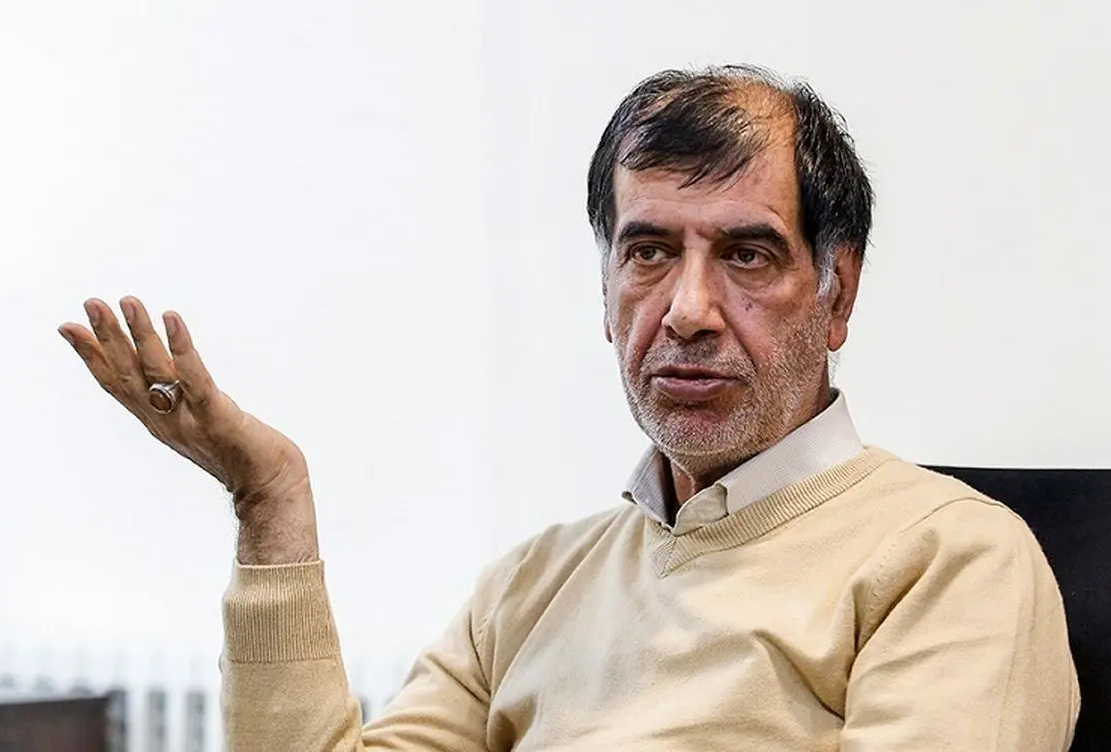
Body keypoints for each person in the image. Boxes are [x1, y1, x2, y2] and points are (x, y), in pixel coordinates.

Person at [59, 64, 1081, 750]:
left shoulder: (952, 558)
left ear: (837, 293)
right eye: (649, 252)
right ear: (605, 294)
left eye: (746, 254)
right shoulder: (532, 585)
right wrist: (269, 497)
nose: (687, 310)